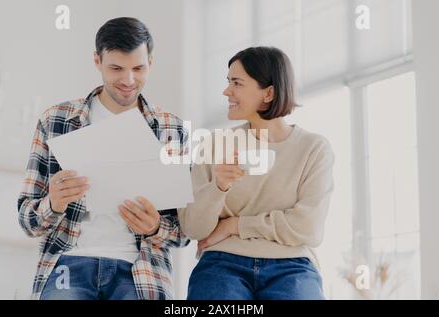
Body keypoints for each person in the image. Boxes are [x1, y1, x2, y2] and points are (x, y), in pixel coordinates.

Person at [17, 17, 189, 300]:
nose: (128, 80)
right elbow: (27, 221)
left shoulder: (173, 129)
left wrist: (156, 227)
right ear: (97, 60)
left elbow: (184, 232)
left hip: (140, 269)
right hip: (68, 263)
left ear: (151, 62)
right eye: (116, 68)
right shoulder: (56, 120)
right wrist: (53, 203)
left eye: (138, 68)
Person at [178, 46, 335, 300]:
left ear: (269, 93)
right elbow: (194, 228)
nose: (226, 91)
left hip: (292, 264)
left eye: (237, 83)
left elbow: (308, 227)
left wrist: (234, 225)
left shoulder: (313, 149)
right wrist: (218, 187)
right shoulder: (214, 145)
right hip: (222, 262)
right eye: (228, 82)